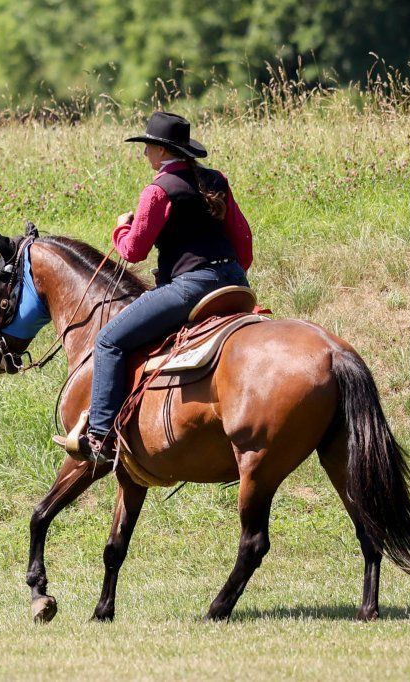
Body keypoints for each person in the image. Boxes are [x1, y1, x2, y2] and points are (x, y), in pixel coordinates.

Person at [78, 111, 254, 464]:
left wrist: (120, 228)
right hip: (235, 281)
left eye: (147, 147)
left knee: (109, 340)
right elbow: (243, 242)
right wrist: (227, 274)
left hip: (191, 287)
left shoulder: (159, 190)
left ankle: (99, 436)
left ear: (161, 151)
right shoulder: (216, 180)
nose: (144, 154)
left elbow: (134, 251)